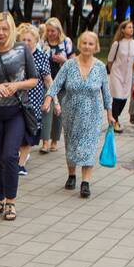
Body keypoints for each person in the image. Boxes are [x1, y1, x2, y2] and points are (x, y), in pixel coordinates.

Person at [0, 12, 45, 220]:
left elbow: (33, 79)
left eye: (5, 29)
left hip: (16, 112)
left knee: (9, 156)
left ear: (11, 30)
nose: (1, 33)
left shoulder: (22, 50)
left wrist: (16, 85)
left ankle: (11, 202)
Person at [41, 30, 113, 198]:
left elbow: (106, 93)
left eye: (91, 43)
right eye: (84, 43)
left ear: (96, 47)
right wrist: (48, 98)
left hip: (93, 114)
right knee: (72, 144)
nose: (87, 46)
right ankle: (72, 174)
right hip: (71, 111)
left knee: (89, 146)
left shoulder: (101, 67)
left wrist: (110, 113)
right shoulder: (69, 65)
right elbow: (56, 84)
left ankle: (85, 182)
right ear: (79, 45)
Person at [15, 22, 53, 175]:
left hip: (34, 102)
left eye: (29, 40)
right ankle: (17, 155)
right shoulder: (14, 55)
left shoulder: (42, 57)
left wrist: (51, 100)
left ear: (36, 41)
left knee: (29, 133)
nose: (25, 43)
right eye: (23, 40)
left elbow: (49, 80)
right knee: (15, 131)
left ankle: (21, 164)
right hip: (15, 100)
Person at [38, 17, 73, 154]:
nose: (50, 33)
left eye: (53, 31)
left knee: (59, 112)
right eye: (48, 30)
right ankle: (45, 141)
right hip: (46, 80)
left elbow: (74, 62)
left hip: (62, 81)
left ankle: (54, 140)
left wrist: (63, 60)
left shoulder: (66, 42)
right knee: (46, 109)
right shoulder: (42, 42)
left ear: (59, 31)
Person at [106, 20, 134, 133]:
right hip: (116, 73)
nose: (131, 29)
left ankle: (114, 116)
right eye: (129, 27)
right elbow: (110, 60)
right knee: (117, 97)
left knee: (124, 98)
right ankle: (115, 121)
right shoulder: (117, 43)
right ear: (123, 30)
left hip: (128, 75)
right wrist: (112, 72)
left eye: (132, 27)